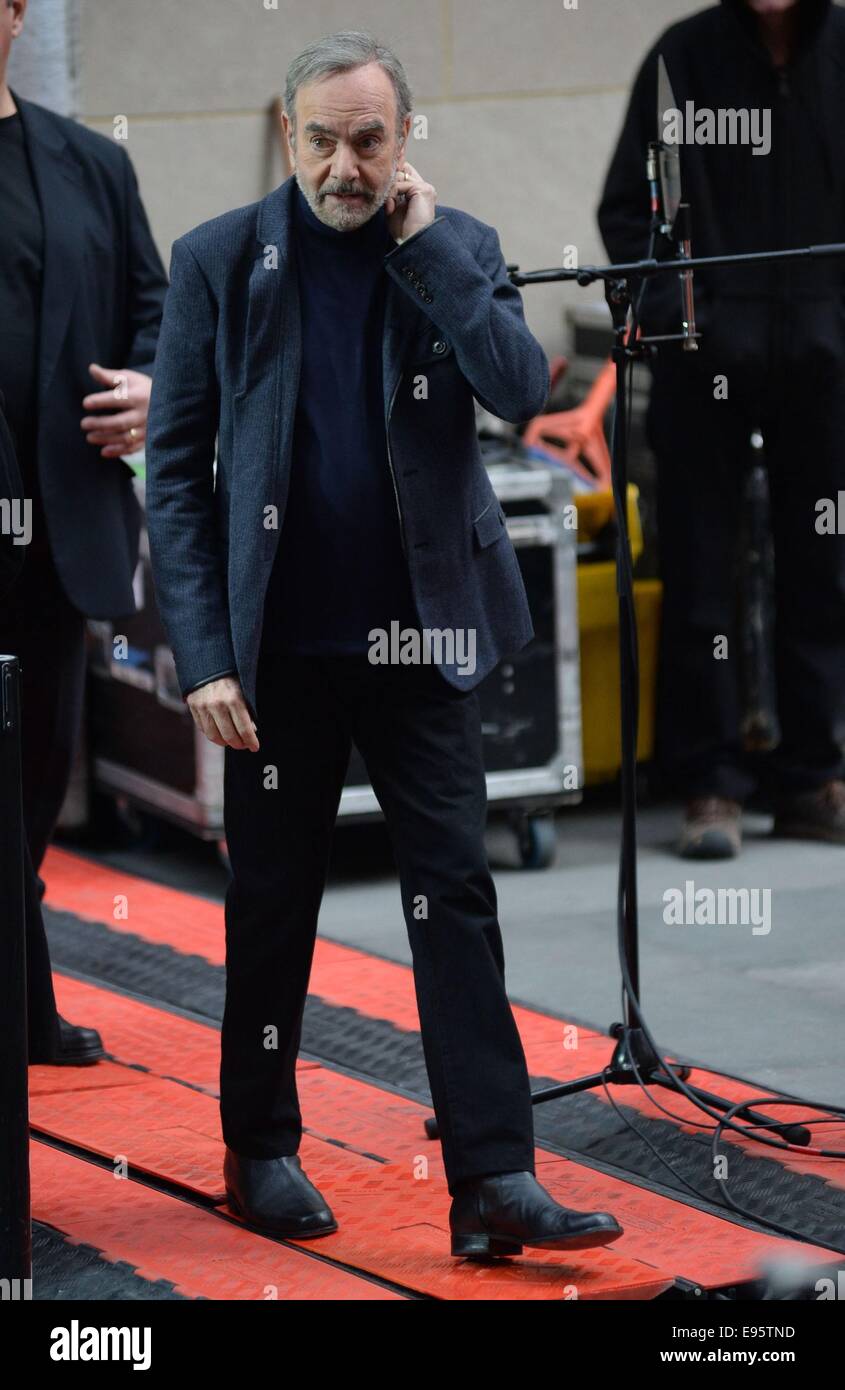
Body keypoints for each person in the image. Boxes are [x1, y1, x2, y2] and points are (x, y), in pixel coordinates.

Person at [146, 30, 623, 1257]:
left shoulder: (451, 249)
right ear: (288, 134)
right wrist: (200, 655)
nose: (343, 165)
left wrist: (430, 256)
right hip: (277, 652)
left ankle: (494, 1176)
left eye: (368, 139)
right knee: (271, 903)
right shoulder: (215, 264)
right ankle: (260, 1148)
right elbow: (177, 479)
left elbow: (520, 389)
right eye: (321, 139)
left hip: (422, 639)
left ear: (404, 140)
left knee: (452, 894)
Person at [598, 0, 845, 858]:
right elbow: (628, 214)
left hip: (827, 370)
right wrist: (681, 319)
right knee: (700, 572)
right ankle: (709, 785)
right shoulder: (682, 57)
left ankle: (815, 775)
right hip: (702, 369)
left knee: (826, 567)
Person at [0, 0, 168, 1061]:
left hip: (56, 533)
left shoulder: (86, 164)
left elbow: (154, 306)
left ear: (15, 14)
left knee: (32, 781)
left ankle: (20, 994)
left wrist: (155, 384)